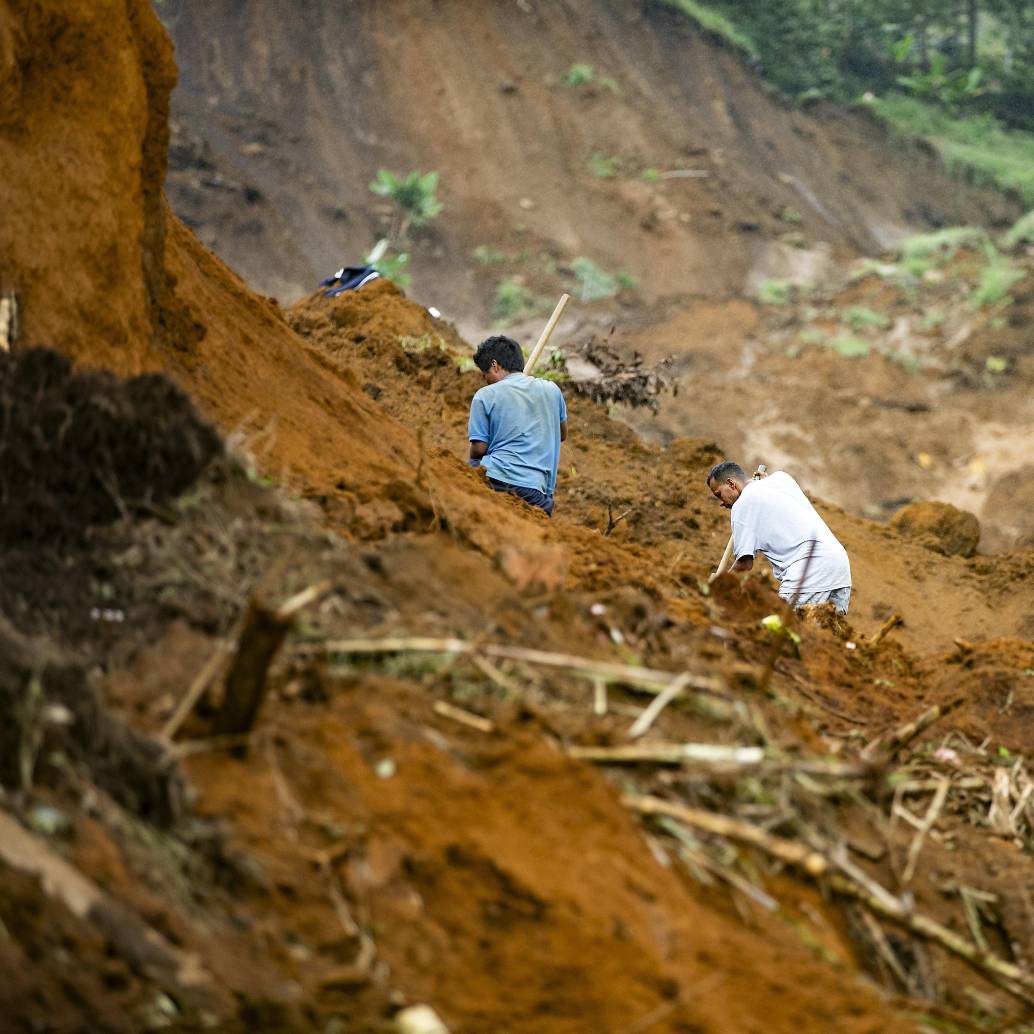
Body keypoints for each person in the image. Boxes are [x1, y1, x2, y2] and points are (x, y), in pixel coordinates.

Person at [706, 461, 852, 613]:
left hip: (809, 571)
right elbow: (767, 490)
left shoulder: (742, 505)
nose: (721, 503)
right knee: (826, 634)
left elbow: (744, 563)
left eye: (719, 495)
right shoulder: (781, 479)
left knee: (780, 629)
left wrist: (720, 585)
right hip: (839, 567)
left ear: (731, 483)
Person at [467, 335, 567, 517]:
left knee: (471, 464)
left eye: (485, 373)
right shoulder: (552, 390)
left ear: (495, 365)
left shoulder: (484, 395)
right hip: (537, 492)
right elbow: (561, 434)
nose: (485, 379)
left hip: (495, 481)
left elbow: (479, 449)